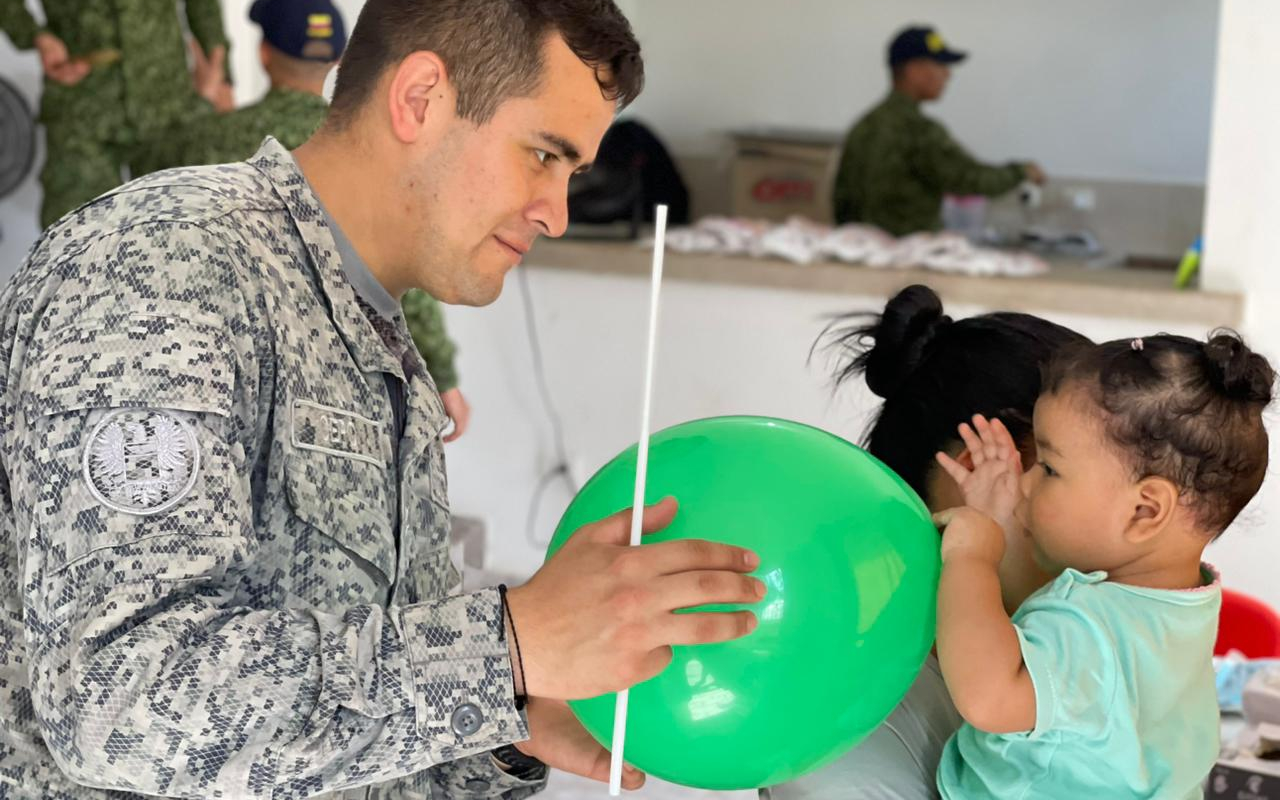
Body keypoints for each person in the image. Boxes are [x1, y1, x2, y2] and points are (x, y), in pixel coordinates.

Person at [0, 1, 766, 798]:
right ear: (420, 99)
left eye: (571, 175)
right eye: (542, 154)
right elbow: (120, 702)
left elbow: (353, 740)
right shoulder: (169, 265)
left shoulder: (381, 348)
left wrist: (502, 722)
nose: (558, 213)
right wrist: (506, 644)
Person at [767, 284, 1089, 799]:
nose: (1121, 514)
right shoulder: (853, 753)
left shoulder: (1065, 646)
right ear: (977, 472)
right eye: (1091, 475)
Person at [933, 332, 1272, 798]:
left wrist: (970, 557)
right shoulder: (1182, 603)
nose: (1026, 485)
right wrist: (1002, 521)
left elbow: (986, 697)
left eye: (1049, 468)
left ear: (1144, 511)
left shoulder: (1087, 622)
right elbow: (1033, 637)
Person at [133, 0, 474, 439]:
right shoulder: (364, 147)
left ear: (264, 54)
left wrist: (202, 103)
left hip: (212, 368)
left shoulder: (207, 138)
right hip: (330, 381)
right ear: (337, 61)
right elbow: (403, 273)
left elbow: (147, 170)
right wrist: (441, 374)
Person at [0, 0, 230, 227]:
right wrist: (35, 35)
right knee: (76, 237)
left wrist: (222, 74)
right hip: (82, 107)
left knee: (184, 231)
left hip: (166, 102)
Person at [832, 26, 1046, 236]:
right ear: (914, 70)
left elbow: (840, 200)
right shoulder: (917, 130)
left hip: (860, 254)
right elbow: (971, 179)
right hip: (908, 257)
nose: (947, 74)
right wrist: (1021, 172)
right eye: (940, 65)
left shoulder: (863, 127)